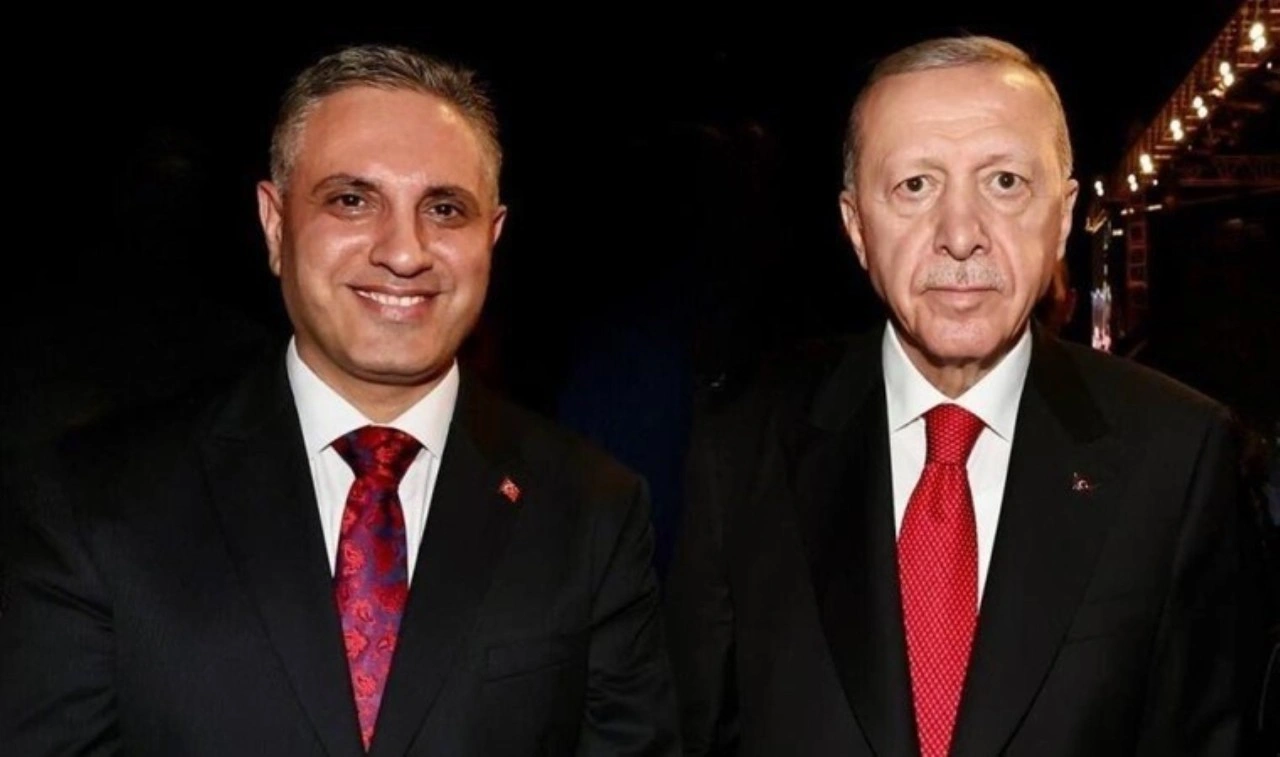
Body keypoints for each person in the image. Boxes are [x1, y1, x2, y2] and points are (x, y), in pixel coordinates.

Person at [1, 44, 679, 756]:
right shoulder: (94, 500)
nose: (405, 252)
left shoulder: (591, 509)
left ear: (492, 236)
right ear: (275, 224)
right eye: (352, 200)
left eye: (445, 208)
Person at [664, 35, 1262, 756]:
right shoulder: (741, 449)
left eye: (1004, 182)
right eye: (915, 186)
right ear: (857, 227)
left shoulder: (1179, 455)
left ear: (1063, 217)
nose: (960, 235)